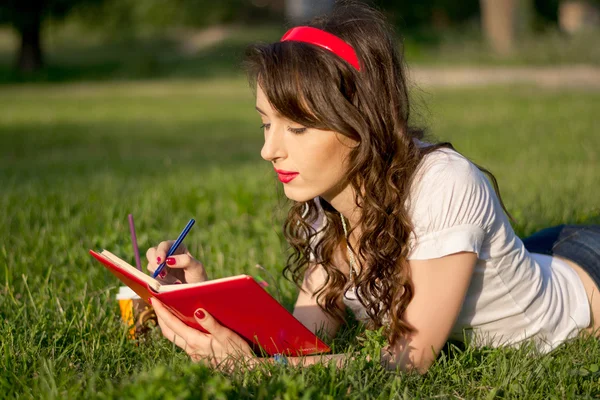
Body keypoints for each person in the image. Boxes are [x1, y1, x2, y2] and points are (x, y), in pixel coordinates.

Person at [145, 1, 600, 373]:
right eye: (267, 124)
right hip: (528, 258)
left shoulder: (444, 184)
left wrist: (254, 370)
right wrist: (204, 301)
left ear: (359, 125)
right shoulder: (326, 191)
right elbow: (308, 336)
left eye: (297, 129)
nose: (269, 151)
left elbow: (407, 363)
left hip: (585, 280)